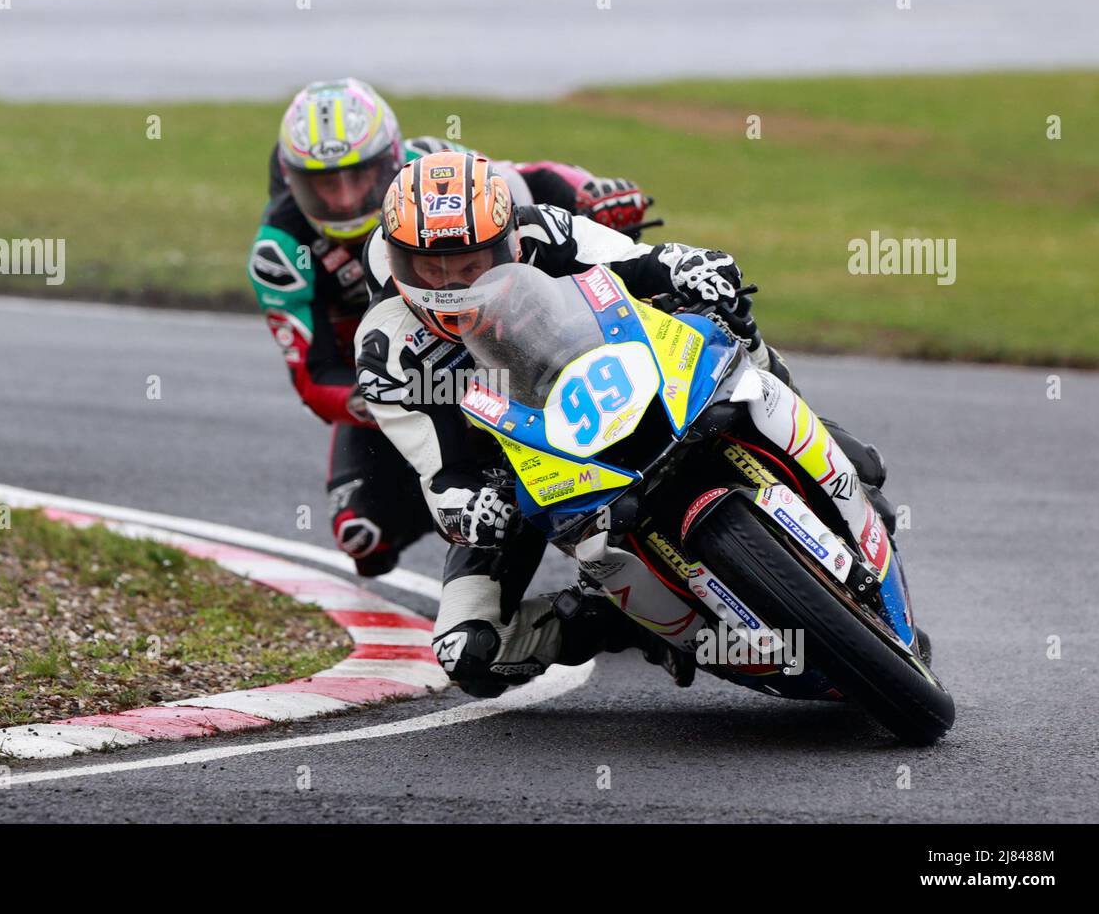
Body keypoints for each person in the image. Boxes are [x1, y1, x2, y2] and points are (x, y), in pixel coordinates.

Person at [354, 151, 892, 698]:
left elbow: (641, 263)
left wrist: (689, 267)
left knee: (721, 310)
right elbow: (441, 470)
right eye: (431, 267)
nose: (452, 283)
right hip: (517, 472)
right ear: (400, 262)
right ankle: (623, 620)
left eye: (471, 264)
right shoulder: (387, 349)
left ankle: (818, 439)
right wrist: (471, 509)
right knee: (469, 653)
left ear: (508, 243)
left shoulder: (544, 230)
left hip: (613, 376)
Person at [246, 77, 654, 576]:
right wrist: (384, 395)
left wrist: (589, 193)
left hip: (512, 325)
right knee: (363, 538)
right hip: (405, 368)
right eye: (325, 184)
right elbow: (313, 376)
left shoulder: (435, 170)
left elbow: (524, 184)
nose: (347, 199)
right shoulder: (280, 252)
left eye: (360, 176)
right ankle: (481, 516)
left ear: (392, 156)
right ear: (292, 181)